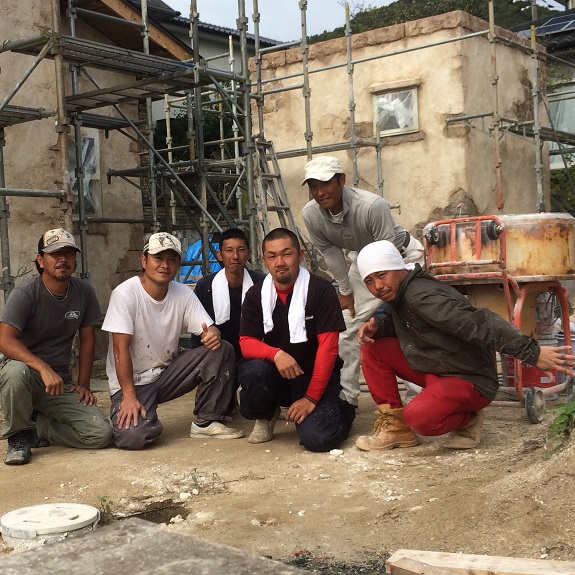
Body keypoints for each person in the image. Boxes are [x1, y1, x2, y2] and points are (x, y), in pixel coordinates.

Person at [354, 240, 575, 451]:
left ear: (399, 269)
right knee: (373, 348)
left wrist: (533, 353)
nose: (378, 286)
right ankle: (396, 429)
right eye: (369, 281)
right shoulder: (401, 292)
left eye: (382, 275)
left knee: (419, 419)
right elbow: (400, 319)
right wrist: (377, 326)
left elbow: (478, 323)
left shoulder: (422, 296)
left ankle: (468, 419)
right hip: (439, 364)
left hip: (470, 378)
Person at [301, 156, 424, 407]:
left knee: (407, 321)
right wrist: (345, 291)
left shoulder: (372, 206)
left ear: (341, 180)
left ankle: (418, 396)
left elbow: (387, 256)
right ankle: (347, 398)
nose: (320, 192)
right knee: (346, 324)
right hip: (363, 260)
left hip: (400, 258)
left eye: (325, 184)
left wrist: (390, 301)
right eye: (314, 186)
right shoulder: (311, 214)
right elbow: (331, 254)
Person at [101, 232, 243, 450]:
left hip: (165, 376)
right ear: (144, 260)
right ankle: (146, 420)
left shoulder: (182, 293)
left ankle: (206, 421)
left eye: (172, 260)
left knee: (221, 349)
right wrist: (128, 397)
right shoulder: (125, 294)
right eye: (158, 258)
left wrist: (212, 334)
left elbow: (208, 327)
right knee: (133, 438)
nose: (165, 265)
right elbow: (120, 350)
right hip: (133, 383)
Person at [0, 228, 112, 465]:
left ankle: (39, 427)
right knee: (15, 372)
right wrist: (43, 367)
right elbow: (4, 340)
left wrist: (84, 384)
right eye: (55, 253)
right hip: (25, 377)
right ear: (40, 260)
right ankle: (19, 437)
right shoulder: (25, 293)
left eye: (69, 253)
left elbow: (88, 340)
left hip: (59, 382)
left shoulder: (84, 291)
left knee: (100, 435)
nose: (63, 259)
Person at [237, 227, 356, 452]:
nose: (280, 262)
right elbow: (246, 342)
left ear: (300, 255)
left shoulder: (321, 290)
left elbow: (328, 348)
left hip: (313, 376)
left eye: (287, 254)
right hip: (278, 374)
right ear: (264, 260)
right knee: (253, 371)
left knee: (318, 439)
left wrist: (311, 398)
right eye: (272, 256)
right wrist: (276, 354)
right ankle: (266, 414)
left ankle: (342, 409)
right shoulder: (255, 295)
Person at [191, 229, 266, 414]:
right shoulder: (205, 286)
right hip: (220, 357)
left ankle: (257, 406)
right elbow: (198, 333)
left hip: (253, 355)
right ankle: (225, 395)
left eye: (241, 250)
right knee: (219, 410)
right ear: (220, 255)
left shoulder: (262, 284)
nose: (235, 256)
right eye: (229, 250)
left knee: (258, 377)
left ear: (249, 253)